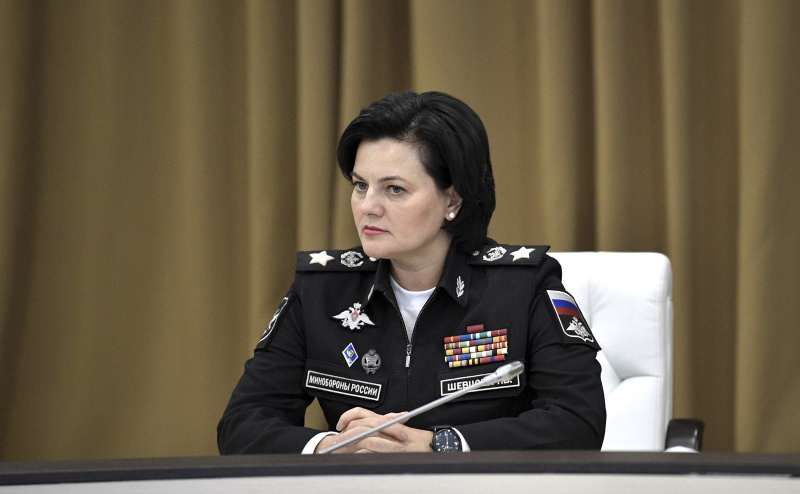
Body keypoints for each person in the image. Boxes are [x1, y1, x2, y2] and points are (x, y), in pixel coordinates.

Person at [217, 91, 606, 454]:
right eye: (360, 186)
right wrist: (333, 446)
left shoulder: (522, 287)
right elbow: (241, 423)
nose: (367, 206)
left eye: (394, 190)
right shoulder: (322, 289)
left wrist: (439, 445)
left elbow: (578, 421)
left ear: (452, 199)